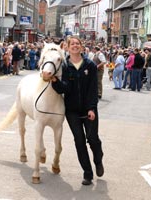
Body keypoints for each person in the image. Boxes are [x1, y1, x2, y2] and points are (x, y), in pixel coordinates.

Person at [51, 36, 104, 186]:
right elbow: (66, 88)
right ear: (67, 47)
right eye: (72, 44)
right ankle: (87, 173)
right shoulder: (65, 66)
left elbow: (93, 90)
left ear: (81, 46)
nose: (75, 46)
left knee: (92, 138)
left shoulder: (90, 65)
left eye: (77, 43)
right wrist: (55, 82)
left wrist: (92, 108)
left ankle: (98, 159)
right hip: (72, 111)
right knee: (79, 142)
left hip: (89, 110)